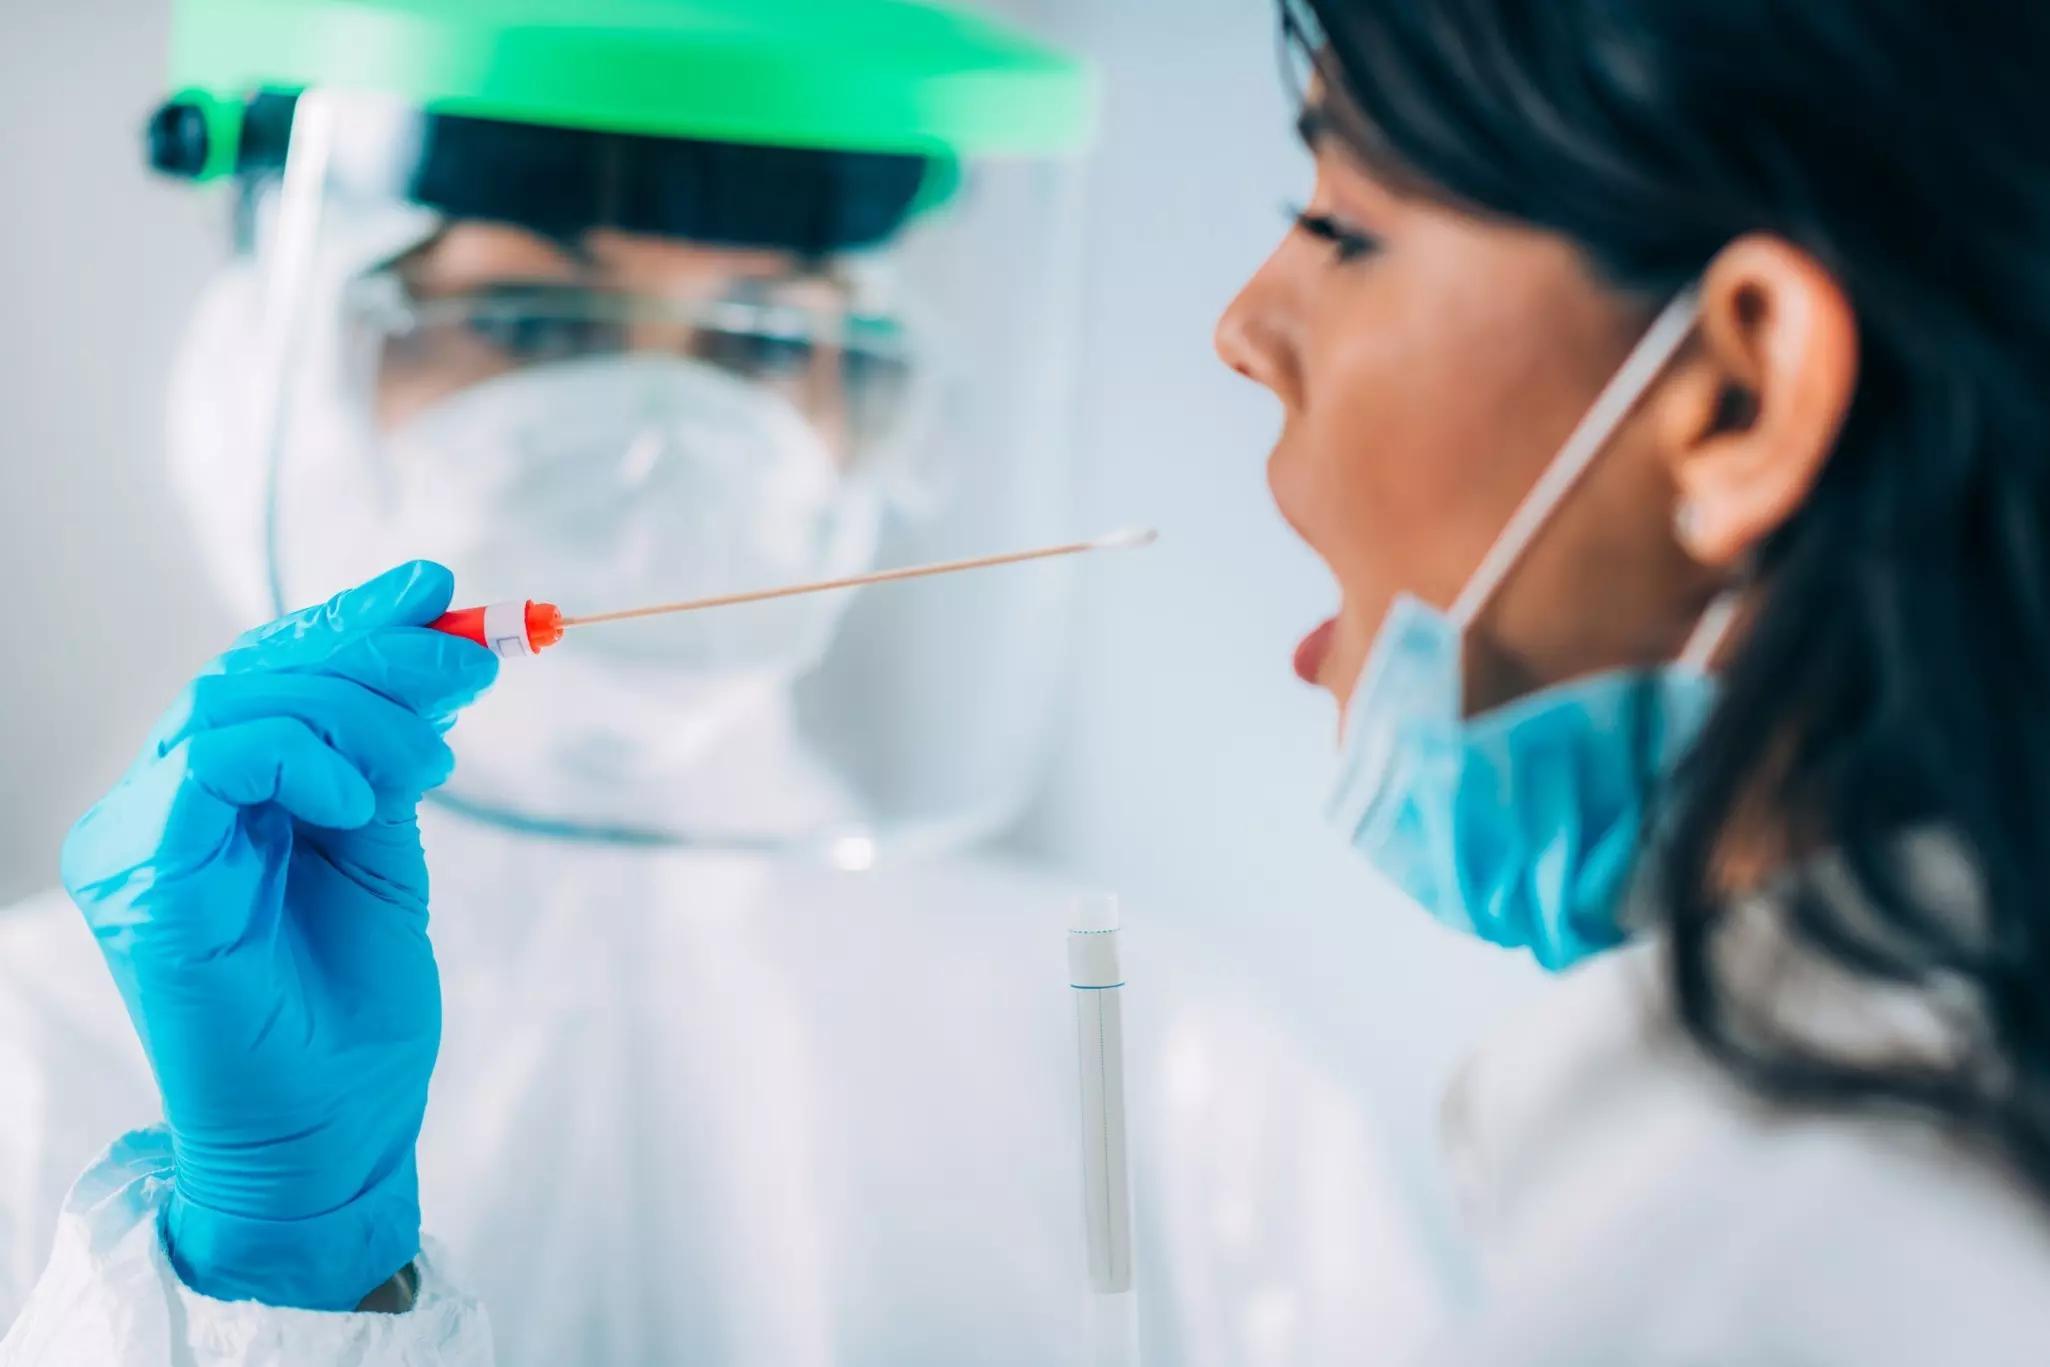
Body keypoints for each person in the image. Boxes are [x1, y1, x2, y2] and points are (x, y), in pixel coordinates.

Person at [0, 2, 1425, 1364]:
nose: (656, 439)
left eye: (766, 340)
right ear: (275, 364)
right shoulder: (42, 1051)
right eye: (528, 322)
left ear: (881, 410)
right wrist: (274, 1291)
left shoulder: (1158, 1074)